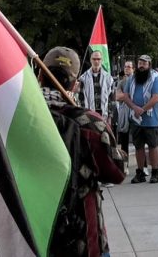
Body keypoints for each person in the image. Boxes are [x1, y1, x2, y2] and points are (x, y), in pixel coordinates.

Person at [39, 46, 126, 257]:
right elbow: (116, 172)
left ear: (40, 75)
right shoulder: (92, 124)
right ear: (76, 84)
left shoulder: (22, 120)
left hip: (35, 234)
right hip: (85, 237)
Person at [118, 54, 158, 183]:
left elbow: (156, 97)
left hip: (150, 119)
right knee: (139, 146)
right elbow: (125, 96)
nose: (141, 66)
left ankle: (155, 172)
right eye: (140, 63)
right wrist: (134, 107)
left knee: (153, 145)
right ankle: (140, 172)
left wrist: (142, 109)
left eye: (144, 63)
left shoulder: (155, 78)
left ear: (149, 65)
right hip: (135, 118)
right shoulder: (131, 78)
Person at [78, 51, 115, 127]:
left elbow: (111, 99)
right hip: (89, 115)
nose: (96, 61)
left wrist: (110, 117)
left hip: (104, 115)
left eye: (98, 59)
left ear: (102, 60)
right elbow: (80, 98)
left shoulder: (108, 78)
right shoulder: (83, 78)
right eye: (94, 59)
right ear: (91, 60)